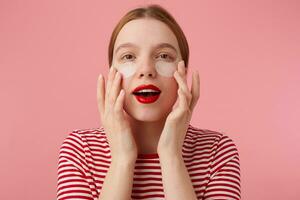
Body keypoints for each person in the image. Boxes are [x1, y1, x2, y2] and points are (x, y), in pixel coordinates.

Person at [56, 4, 241, 200]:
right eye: (128, 56)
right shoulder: (80, 150)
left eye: (163, 56)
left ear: (183, 72)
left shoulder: (217, 151)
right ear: (111, 73)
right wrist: (122, 159)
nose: (146, 69)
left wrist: (171, 156)